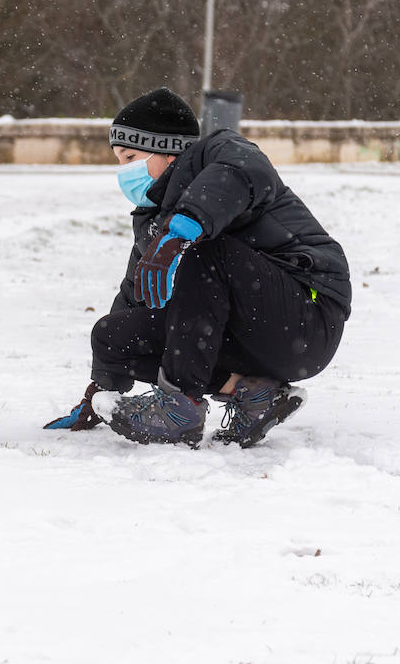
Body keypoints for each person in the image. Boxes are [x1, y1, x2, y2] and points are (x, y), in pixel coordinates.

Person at [44, 87, 351, 448]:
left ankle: (180, 407)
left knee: (203, 252)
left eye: (130, 156)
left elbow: (239, 174)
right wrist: (99, 394)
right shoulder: (153, 222)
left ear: (168, 150)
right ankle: (253, 394)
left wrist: (183, 229)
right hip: (246, 333)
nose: (123, 171)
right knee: (114, 333)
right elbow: (135, 296)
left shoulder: (220, 153)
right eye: (118, 160)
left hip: (306, 318)